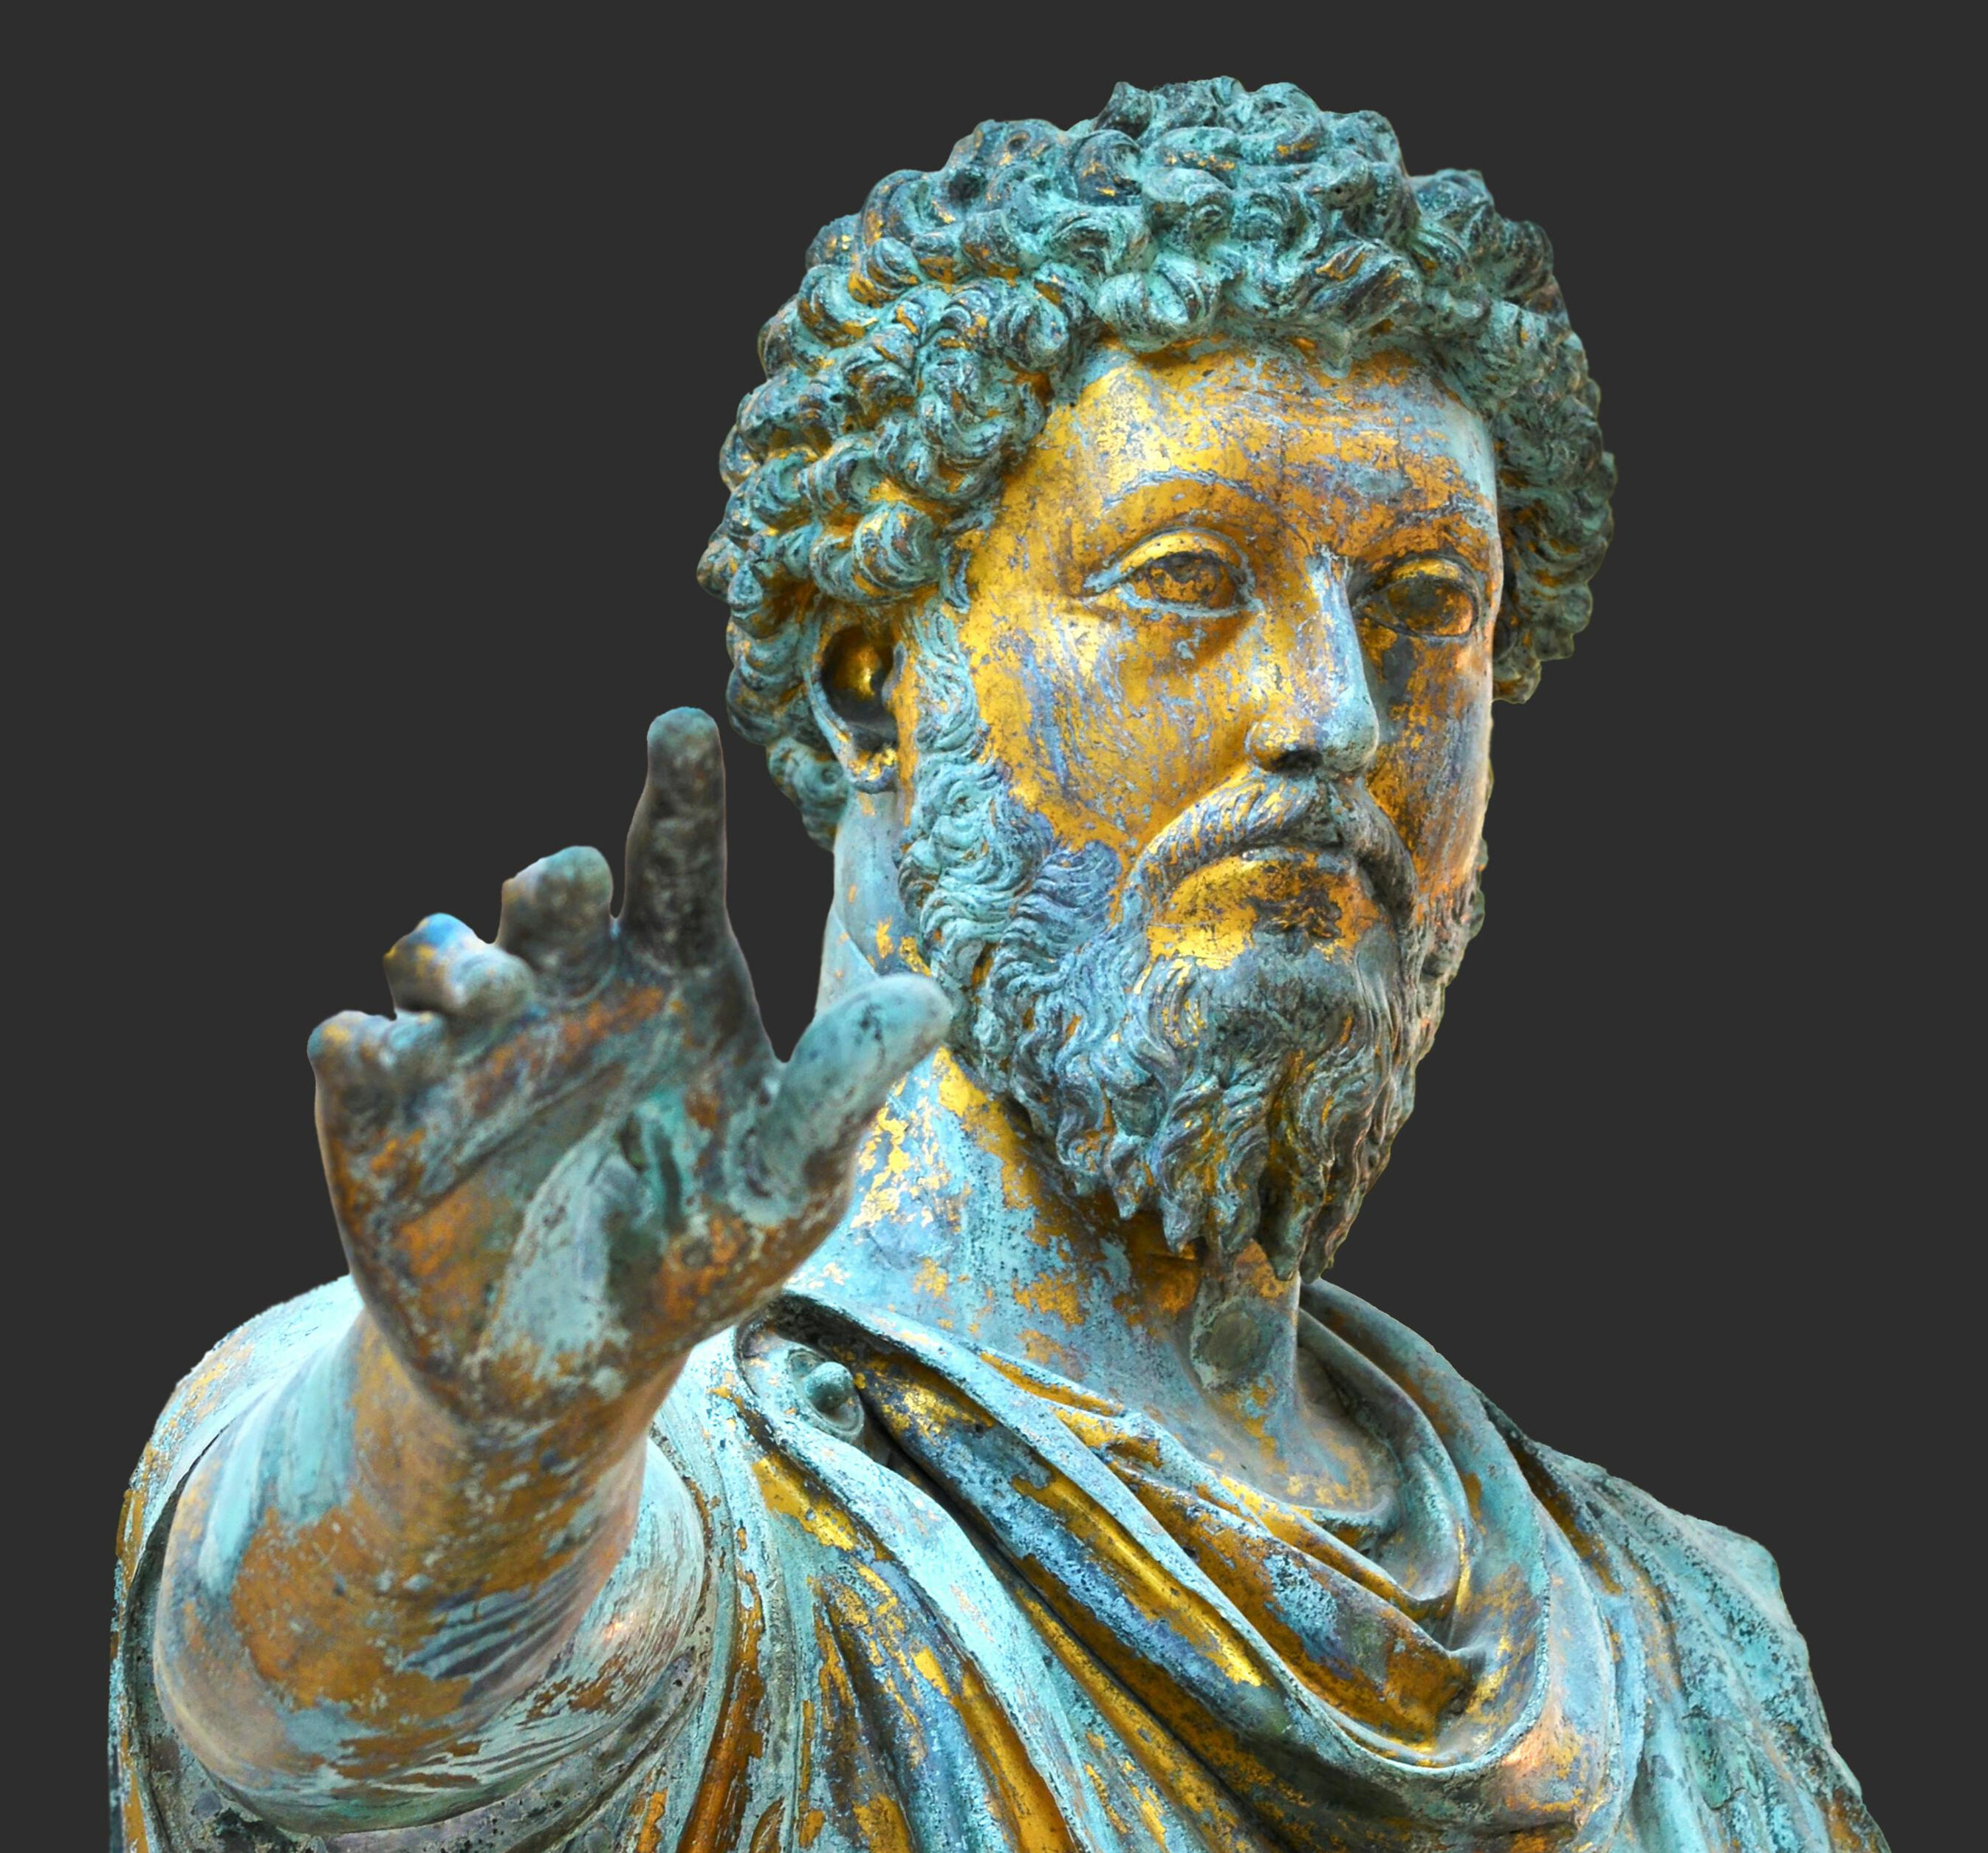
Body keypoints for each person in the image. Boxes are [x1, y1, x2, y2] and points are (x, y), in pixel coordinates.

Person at [112, 78, 1885, 1852]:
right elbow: (325, 1699)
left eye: (1426, 607)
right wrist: (483, 1434)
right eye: (1185, 578)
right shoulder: (699, 1520)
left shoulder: (1682, 1645)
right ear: (873, 680)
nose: (1331, 715)